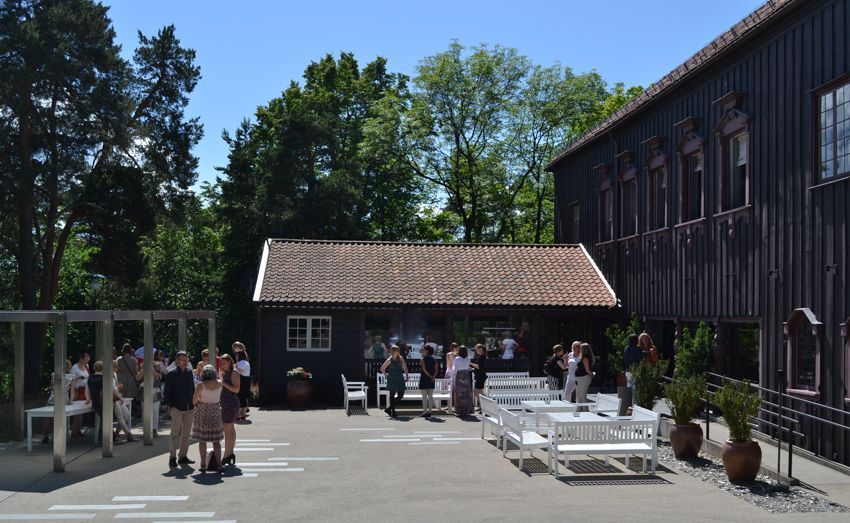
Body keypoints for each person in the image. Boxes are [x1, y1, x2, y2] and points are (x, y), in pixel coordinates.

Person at [164, 351, 196, 468]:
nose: (185, 362)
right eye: (182, 360)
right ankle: (172, 457)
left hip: (189, 407)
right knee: (174, 434)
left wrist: (193, 402)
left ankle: (183, 456)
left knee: (186, 434)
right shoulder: (171, 374)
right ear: (177, 361)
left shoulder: (189, 372)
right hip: (177, 408)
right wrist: (172, 406)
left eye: (186, 360)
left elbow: (192, 388)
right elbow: (167, 393)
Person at [192, 365, 224, 473]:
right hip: (215, 410)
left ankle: (203, 465)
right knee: (216, 441)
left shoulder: (200, 385)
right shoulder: (220, 383)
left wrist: (199, 398)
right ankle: (219, 464)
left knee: (202, 440)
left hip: (203, 411)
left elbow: (194, 401)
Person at [42, 359, 73, 444]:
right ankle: (58, 436)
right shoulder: (71, 377)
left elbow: (52, 386)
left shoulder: (53, 374)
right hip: (63, 399)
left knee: (48, 418)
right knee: (60, 418)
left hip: (52, 398)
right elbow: (71, 390)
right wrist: (71, 401)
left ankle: (45, 435)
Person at [219, 354, 240, 467]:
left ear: (230, 362)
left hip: (230, 404)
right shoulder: (226, 373)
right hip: (226, 403)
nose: (222, 365)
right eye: (221, 363)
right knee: (230, 429)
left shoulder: (234, 373)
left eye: (224, 363)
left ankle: (226, 455)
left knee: (228, 430)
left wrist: (224, 384)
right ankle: (230, 453)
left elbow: (236, 390)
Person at [110, 360, 135, 442]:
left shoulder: (114, 374)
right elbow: (112, 388)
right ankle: (129, 434)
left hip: (117, 397)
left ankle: (117, 433)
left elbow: (115, 387)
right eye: (115, 366)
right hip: (113, 398)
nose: (117, 368)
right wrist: (118, 389)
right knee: (121, 416)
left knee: (127, 415)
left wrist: (118, 388)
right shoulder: (108, 375)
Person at [380, 345, 409, 418]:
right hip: (392, 378)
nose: (399, 351)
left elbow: (405, 367)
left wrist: (407, 376)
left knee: (401, 394)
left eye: (399, 350)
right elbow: (382, 368)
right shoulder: (389, 360)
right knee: (392, 395)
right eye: (397, 350)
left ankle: (389, 408)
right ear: (393, 351)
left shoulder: (401, 358)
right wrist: (386, 376)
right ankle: (393, 412)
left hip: (399, 377)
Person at [70, 350, 90, 438]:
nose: (87, 360)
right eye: (86, 358)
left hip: (85, 391)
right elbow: (71, 380)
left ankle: (78, 430)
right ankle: (73, 431)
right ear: (81, 358)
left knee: (82, 411)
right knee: (77, 411)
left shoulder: (87, 366)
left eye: (88, 358)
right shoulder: (75, 367)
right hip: (77, 390)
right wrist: (79, 378)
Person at [116, 343, 141, 414]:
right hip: (131, 380)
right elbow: (136, 370)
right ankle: (131, 412)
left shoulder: (119, 359)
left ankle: (122, 412)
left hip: (121, 379)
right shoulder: (134, 360)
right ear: (130, 350)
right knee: (131, 397)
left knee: (121, 396)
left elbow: (116, 369)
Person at [452, 346, 474, 416]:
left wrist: (453, 375)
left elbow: (455, 369)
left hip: (459, 376)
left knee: (459, 393)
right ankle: (467, 410)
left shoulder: (457, 359)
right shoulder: (468, 358)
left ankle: (460, 410)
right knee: (467, 393)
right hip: (466, 375)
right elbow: (467, 367)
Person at [150, 350, 166, 436]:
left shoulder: (158, 364)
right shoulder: (144, 365)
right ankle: (151, 429)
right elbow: (138, 377)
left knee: (155, 410)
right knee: (153, 410)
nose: (162, 357)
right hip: (148, 388)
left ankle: (154, 429)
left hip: (156, 387)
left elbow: (159, 376)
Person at [418, 345, 437, 418]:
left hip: (424, 379)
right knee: (430, 396)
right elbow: (436, 370)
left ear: (426, 351)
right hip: (431, 380)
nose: (422, 351)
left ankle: (425, 412)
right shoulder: (434, 360)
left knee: (424, 397)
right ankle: (430, 411)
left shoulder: (422, 359)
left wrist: (429, 376)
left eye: (423, 350)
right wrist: (433, 377)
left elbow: (424, 369)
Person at [574, 342, 595, 408]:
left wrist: (592, 375)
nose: (579, 349)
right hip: (580, 378)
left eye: (581, 348)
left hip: (583, 378)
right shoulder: (583, 357)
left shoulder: (585, 358)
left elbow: (587, 370)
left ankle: (585, 410)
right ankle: (579, 409)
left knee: (582, 395)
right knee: (578, 396)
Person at [235, 346, 251, 420]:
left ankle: (238, 414)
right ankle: (243, 413)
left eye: (237, 355)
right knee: (244, 397)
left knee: (239, 397)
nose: (236, 357)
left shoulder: (240, 363)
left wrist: (235, 367)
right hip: (247, 380)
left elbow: (239, 370)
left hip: (241, 380)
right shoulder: (247, 363)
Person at [472, 344, 488, 411]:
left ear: (480, 349)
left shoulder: (482, 356)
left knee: (476, 391)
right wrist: (472, 369)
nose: (476, 351)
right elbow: (479, 367)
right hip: (480, 376)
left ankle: (483, 405)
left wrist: (470, 363)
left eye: (476, 349)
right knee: (481, 392)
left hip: (480, 377)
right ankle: (484, 406)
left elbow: (479, 366)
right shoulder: (481, 356)